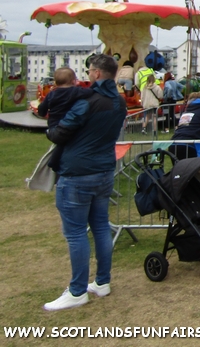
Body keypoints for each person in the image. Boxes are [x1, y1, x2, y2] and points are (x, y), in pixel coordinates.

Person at [43, 54, 127, 311]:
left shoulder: (88, 101)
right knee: (101, 226)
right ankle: (102, 282)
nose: (89, 74)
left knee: (76, 232)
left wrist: (51, 125)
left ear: (97, 74)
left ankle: (78, 290)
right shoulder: (119, 101)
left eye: (90, 71)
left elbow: (60, 133)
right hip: (103, 170)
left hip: (78, 173)